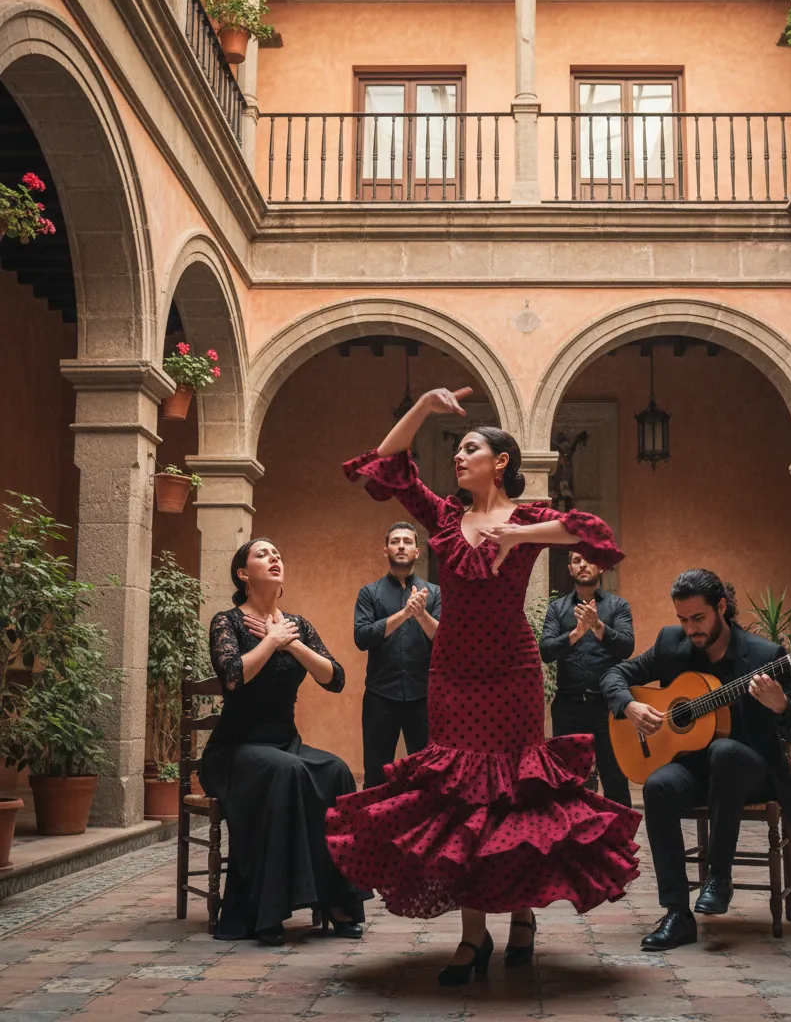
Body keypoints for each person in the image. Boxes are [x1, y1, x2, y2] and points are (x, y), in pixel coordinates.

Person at [325, 386, 641, 986]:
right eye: (458, 449)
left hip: (513, 673)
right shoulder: (445, 518)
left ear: (501, 462)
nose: (459, 457)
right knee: (462, 799)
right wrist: (422, 406)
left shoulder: (528, 517)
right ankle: (474, 935)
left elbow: (597, 534)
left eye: (470, 449)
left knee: (515, 794)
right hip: (452, 674)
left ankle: (522, 916)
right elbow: (387, 464)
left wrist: (521, 537)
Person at [600, 568, 791, 950]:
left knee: (723, 751)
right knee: (658, 785)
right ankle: (677, 914)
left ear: (721, 607)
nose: (690, 629)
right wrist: (629, 705)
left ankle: (719, 877)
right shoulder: (671, 643)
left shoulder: (765, 656)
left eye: (698, 618)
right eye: (683, 619)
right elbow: (615, 674)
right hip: (696, 769)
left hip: (752, 771)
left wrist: (781, 706)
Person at [202, 538, 371, 945]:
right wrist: (270, 641)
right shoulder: (227, 622)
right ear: (243, 574)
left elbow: (335, 678)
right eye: (262, 554)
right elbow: (232, 677)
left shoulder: (297, 626)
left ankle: (337, 900)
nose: (274, 558)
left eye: (277, 553)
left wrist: (290, 642)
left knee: (337, 771)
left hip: (284, 743)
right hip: (236, 749)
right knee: (287, 772)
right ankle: (268, 909)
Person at [540, 551, 635, 807]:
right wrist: (575, 634)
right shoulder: (557, 608)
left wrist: (598, 626)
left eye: (589, 559)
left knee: (615, 781)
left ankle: (619, 831)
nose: (583, 564)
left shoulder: (618, 606)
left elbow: (627, 647)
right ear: (570, 569)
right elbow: (546, 651)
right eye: (576, 560)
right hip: (568, 707)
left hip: (609, 707)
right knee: (568, 784)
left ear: (601, 567)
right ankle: (572, 832)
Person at [354, 522, 440, 789]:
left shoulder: (435, 593)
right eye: (395, 541)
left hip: (424, 697)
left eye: (407, 541)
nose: (401, 546)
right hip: (380, 697)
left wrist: (420, 614)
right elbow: (362, 638)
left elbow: (444, 641)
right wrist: (404, 614)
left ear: (417, 551)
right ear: (386, 550)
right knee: (375, 777)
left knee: (426, 776)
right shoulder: (369, 593)